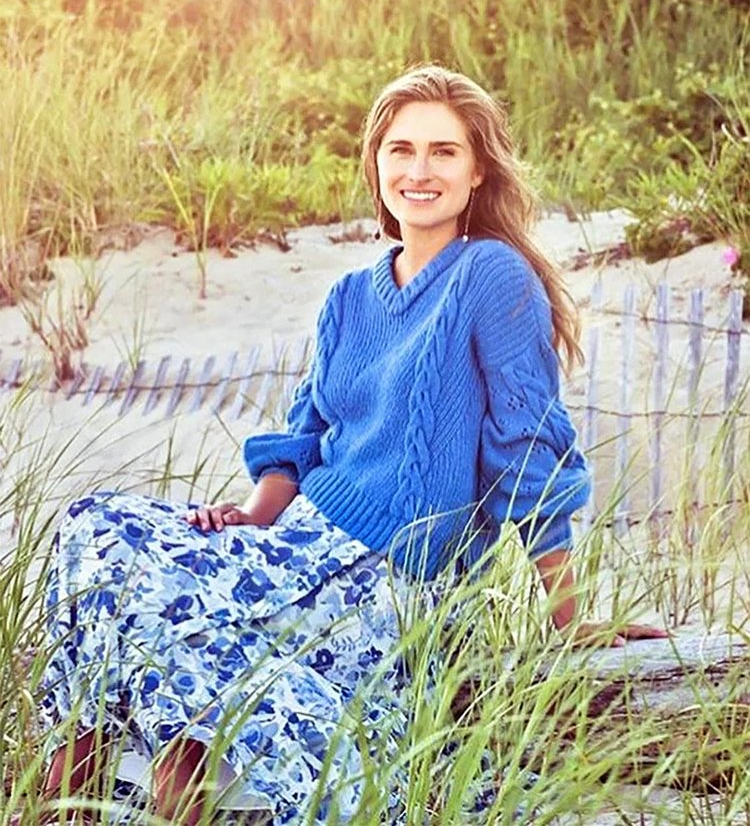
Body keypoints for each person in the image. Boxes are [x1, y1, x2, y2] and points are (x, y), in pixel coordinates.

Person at [38, 65, 666, 825]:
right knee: (92, 527)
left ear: (476, 173)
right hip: (294, 549)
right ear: (376, 164)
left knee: (162, 614)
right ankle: (79, 798)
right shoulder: (347, 298)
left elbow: (527, 448)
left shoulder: (492, 277)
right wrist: (248, 516)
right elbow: (303, 437)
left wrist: (569, 617)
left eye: (443, 152)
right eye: (400, 150)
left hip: (383, 584)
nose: (419, 170)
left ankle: (148, 794)